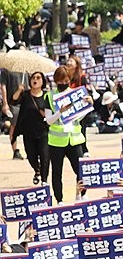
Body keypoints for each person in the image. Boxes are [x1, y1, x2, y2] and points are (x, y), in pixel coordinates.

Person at [45, 66, 84, 204]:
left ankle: (80, 195)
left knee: (81, 170)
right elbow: (49, 120)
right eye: (60, 81)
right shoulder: (49, 96)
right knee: (57, 172)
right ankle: (59, 200)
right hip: (56, 141)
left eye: (66, 80)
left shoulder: (76, 94)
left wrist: (88, 105)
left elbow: (79, 117)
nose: (63, 84)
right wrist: (60, 111)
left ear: (70, 79)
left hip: (74, 139)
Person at [8, 70, 49, 185]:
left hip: (43, 131)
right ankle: (37, 170)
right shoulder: (25, 94)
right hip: (28, 132)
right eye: (33, 78)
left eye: (38, 78)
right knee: (31, 156)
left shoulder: (47, 95)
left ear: (42, 81)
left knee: (45, 156)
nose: (35, 80)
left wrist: (45, 114)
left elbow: (52, 112)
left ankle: (44, 180)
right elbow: (13, 101)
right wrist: (19, 90)